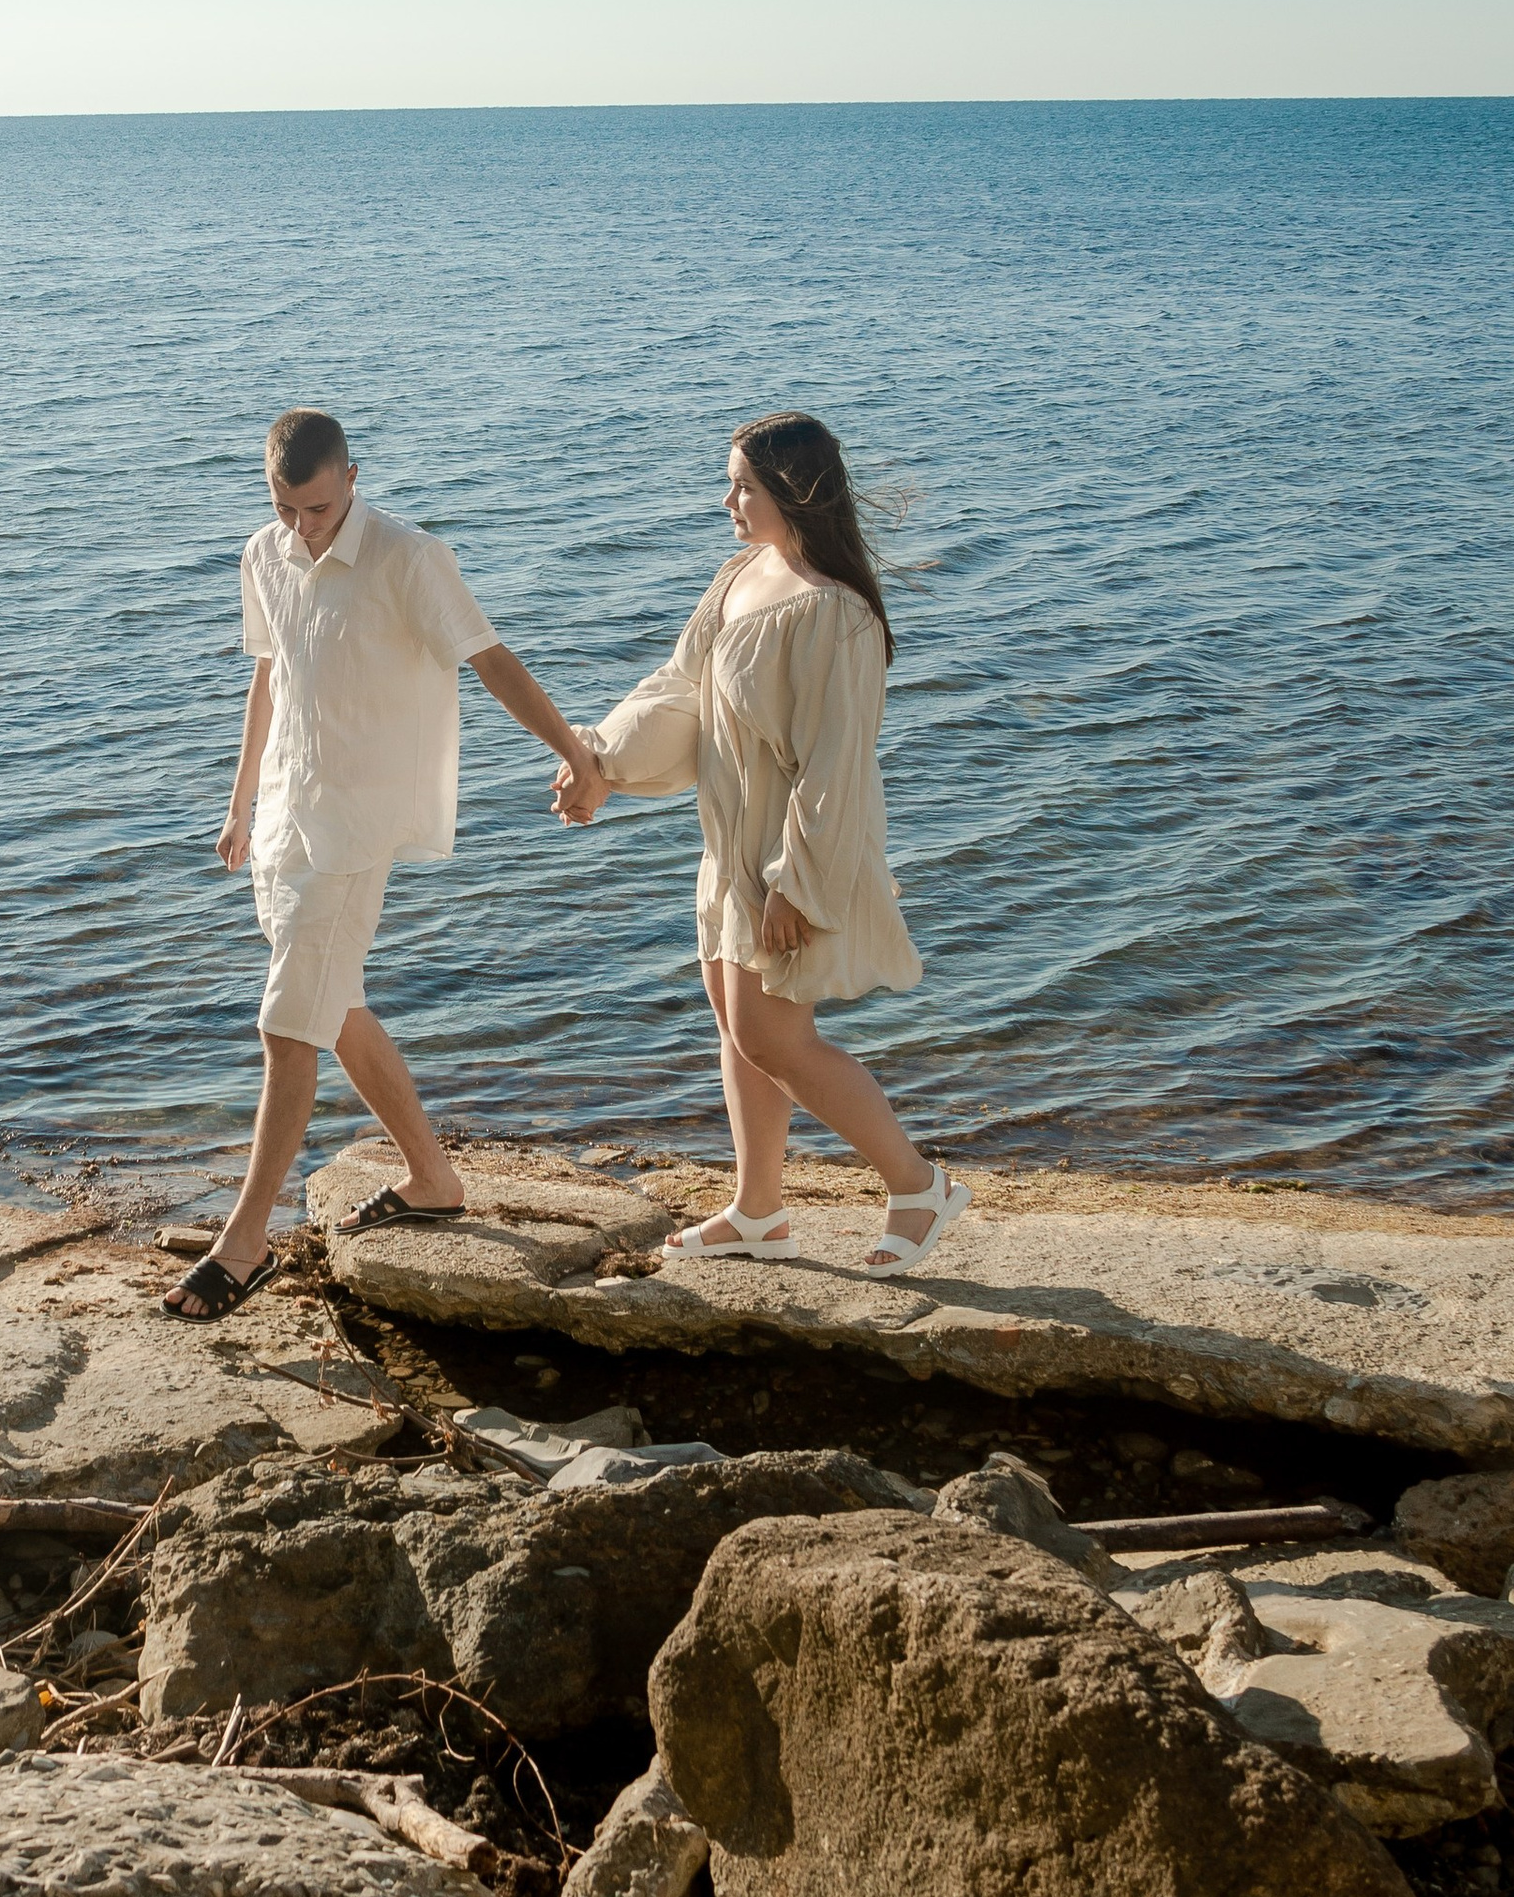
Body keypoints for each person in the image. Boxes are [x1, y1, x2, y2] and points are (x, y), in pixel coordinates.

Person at [164, 406, 606, 1321]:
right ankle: (433, 1175)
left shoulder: (411, 559)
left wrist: (574, 751)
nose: (301, 527)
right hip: (286, 820)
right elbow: (271, 674)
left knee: (288, 1023)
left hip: (359, 829)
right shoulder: (263, 556)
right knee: (334, 1003)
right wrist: (240, 801)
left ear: (353, 478)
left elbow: (491, 660)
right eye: (285, 508)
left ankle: (244, 1244)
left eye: (317, 508)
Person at [553, 409, 958, 1274]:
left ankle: (919, 1185)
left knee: (778, 1039)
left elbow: (834, 765)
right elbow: (680, 691)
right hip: (727, 847)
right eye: (730, 481)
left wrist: (795, 885)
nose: (727, 499)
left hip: (789, 859)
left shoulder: (836, 615)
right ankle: (758, 1212)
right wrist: (598, 760)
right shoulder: (743, 574)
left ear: (794, 493)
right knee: (738, 1032)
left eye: (744, 484)